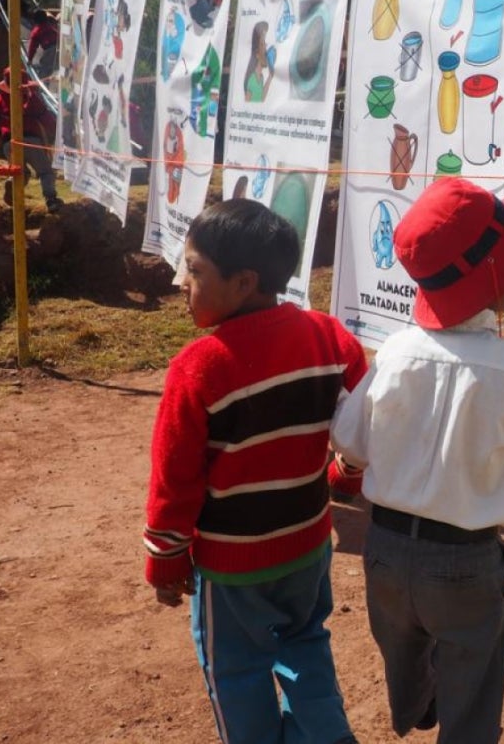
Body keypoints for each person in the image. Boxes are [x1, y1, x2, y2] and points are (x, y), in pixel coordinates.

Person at [330, 178, 504, 744]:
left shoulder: (398, 351)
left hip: (383, 549)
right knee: (473, 691)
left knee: (402, 652)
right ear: (503, 280)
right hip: (465, 560)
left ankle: (418, 707)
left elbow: (349, 442)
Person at [143, 198, 367, 744]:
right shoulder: (330, 337)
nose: (180, 282)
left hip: (232, 568)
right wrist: (347, 475)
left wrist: (165, 560)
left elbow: (175, 482)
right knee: (306, 644)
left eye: (194, 271)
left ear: (243, 282)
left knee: (237, 672)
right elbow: (365, 423)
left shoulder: (197, 369)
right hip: (308, 547)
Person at [0, 67, 61, 211]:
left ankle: (12, 183)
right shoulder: (33, 99)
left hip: (9, 143)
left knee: (21, 173)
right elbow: (48, 120)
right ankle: (51, 200)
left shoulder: (0, 98)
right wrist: (56, 134)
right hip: (31, 141)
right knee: (46, 172)